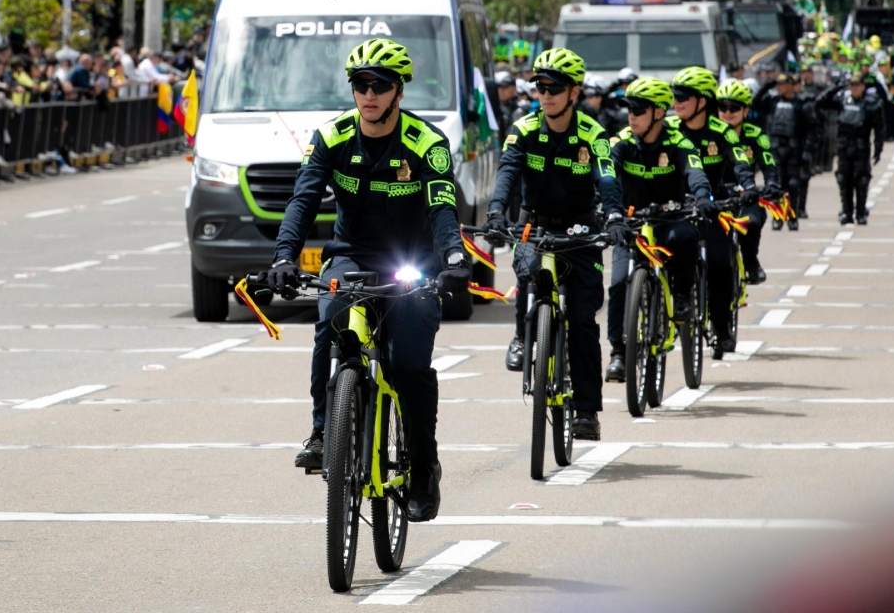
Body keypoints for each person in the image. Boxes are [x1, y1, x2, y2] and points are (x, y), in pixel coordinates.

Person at [267, 38, 467, 523]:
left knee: (410, 366)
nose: (369, 94)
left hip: (412, 262)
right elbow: (303, 200)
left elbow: (442, 206)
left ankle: (423, 468)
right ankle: (322, 433)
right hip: (351, 256)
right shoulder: (331, 137)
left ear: (399, 91)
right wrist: (284, 257)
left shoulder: (426, 142)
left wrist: (455, 257)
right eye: (361, 85)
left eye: (380, 85)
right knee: (330, 319)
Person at [487, 48, 624, 441]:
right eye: (540, 87)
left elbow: (607, 177)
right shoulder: (524, 128)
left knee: (582, 319)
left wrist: (613, 216)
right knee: (528, 273)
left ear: (574, 92)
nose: (545, 94)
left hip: (582, 232)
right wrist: (497, 212)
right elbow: (507, 171)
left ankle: (585, 411)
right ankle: (521, 334)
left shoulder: (593, 133)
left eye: (555, 88)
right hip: (536, 226)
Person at [604, 77, 714, 383]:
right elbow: (605, 176)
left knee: (687, 237)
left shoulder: (678, 142)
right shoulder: (622, 142)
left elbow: (695, 170)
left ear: (658, 113)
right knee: (617, 284)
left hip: (671, 218)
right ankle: (617, 352)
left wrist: (703, 196)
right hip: (632, 224)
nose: (632, 116)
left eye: (639, 110)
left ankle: (681, 295)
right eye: (629, 109)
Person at [665, 66, 758, 355]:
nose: (676, 102)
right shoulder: (668, 128)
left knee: (720, 262)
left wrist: (748, 185)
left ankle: (721, 326)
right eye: (674, 96)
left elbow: (740, 161)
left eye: (683, 96)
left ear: (702, 101)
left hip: (713, 208)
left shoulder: (722, 131)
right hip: (675, 208)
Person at [717, 79, 782, 285]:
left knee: (752, 222)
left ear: (745, 111)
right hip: (715, 193)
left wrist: (772, 183)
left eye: (734, 108)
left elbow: (769, 164)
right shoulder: (710, 134)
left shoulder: (756, 135)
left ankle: (750, 261)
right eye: (723, 107)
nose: (727, 113)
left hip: (746, 192)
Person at [819, 72, 885, 225]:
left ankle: (861, 213)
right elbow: (821, 102)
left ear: (863, 86)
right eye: (852, 85)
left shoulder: (871, 104)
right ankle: (847, 212)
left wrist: (878, 149)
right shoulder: (843, 100)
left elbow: (879, 128)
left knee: (861, 181)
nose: (854, 88)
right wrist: (836, 87)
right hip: (843, 146)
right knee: (844, 179)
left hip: (861, 147)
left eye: (857, 85)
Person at [754, 73, 817, 229]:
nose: (779, 87)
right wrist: (768, 84)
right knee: (777, 184)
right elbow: (755, 104)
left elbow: (812, 128)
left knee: (794, 184)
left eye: (782, 84)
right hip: (775, 147)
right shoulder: (773, 102)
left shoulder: (801, 104)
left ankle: (792, 216)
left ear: (790, 85)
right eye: (778, 84)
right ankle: (778, 217)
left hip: (794, 148)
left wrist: (808, 149)